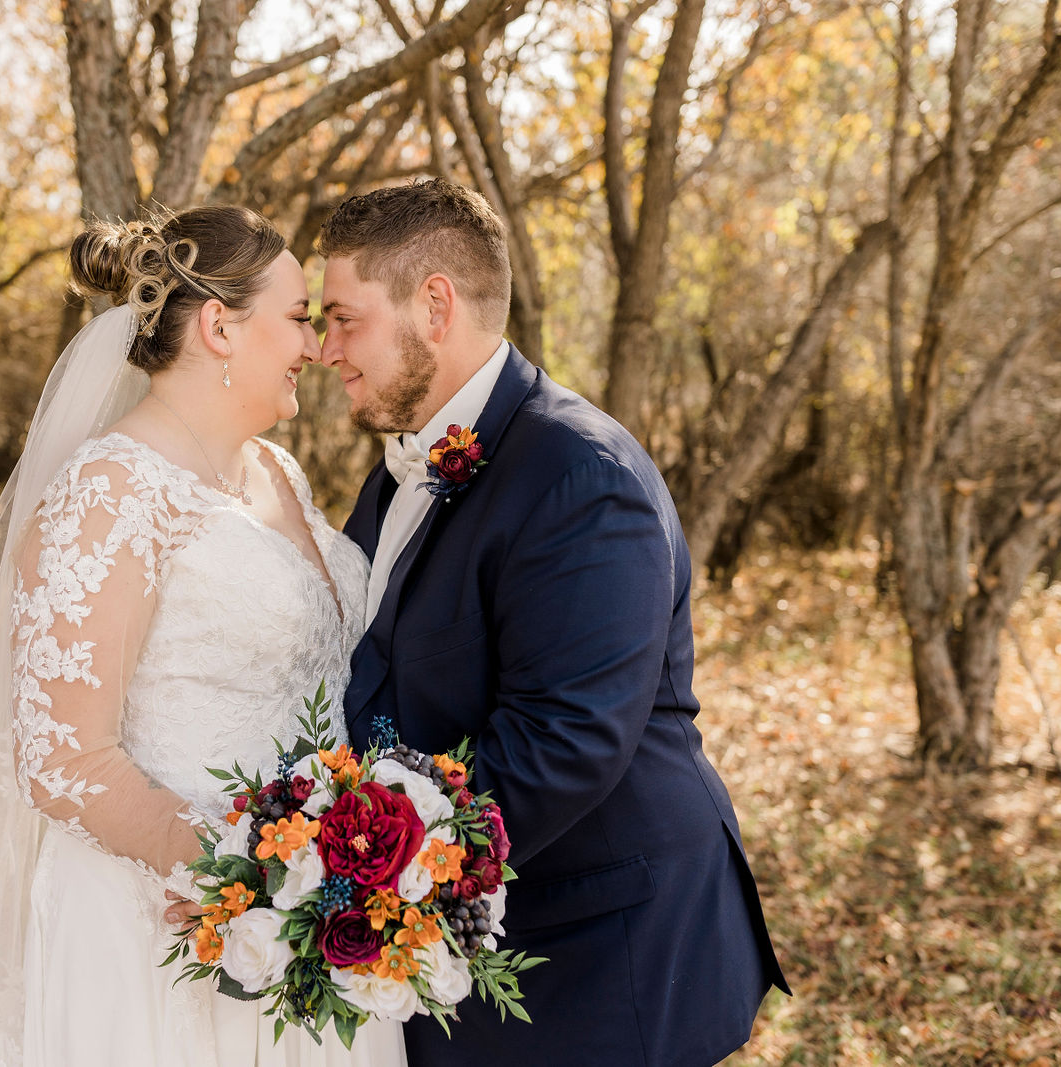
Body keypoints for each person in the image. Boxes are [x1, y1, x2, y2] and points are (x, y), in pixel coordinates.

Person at [0, 205, 406, 1066]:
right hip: (168, 932)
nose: (317, 346)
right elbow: (65, 757)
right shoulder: (108, 493)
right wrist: (253, 881)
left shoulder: (275, 471)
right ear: (220, 326)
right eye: (298, 318)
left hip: (311, 928)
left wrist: (326, 880)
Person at [314, 178, 790, 1066]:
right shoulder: (400, 467)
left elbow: (565, 740)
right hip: (478, 942)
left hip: (602, 952)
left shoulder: (579, 473)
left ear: (435, 304)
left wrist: (359, 868)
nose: (324, 346)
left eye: (345, 318)